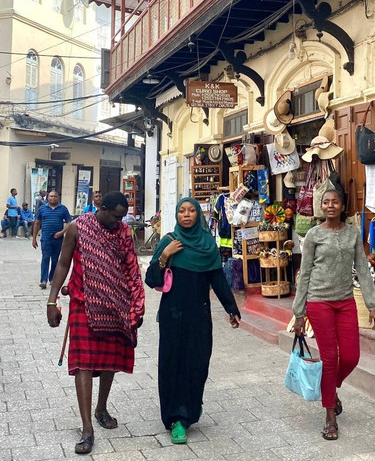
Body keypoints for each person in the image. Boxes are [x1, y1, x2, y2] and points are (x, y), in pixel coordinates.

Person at [46, 191, 145, 455]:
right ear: (101, 208)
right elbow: (63, 263)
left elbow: (132, 269)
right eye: (115, 216)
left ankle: (101, 407)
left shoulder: (123, 232)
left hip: (115, 304)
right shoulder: (78, 227)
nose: (118, 222)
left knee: (110, 359)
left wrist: (137, 305)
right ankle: (87, 427)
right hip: (83, 301)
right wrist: (51, 300)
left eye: (122, 217)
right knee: (83, 362)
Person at [145, 197, 241, 445]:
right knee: (172, 365)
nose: (186, 215)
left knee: (197, 364)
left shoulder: (208, 245)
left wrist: (231, 308)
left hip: (199, 315)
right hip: (172, 316)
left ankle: (190, 408)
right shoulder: (169, 241)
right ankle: (175, 418)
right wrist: (164, 255)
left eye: (191, 211)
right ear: (176, 216)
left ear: (198, 215)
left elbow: (217, 279)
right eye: (181, 211)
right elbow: (152, 278)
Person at [292, 188, 375, 441]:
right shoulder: (313, 235)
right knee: (330, 359)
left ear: (343, 206)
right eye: (326, 202)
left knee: (351, 357)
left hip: (345, 302)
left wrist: (372, 305)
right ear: (321, 206)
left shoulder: (353, 234)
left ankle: (330, 388)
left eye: (335, 202)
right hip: (318, 302)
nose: (330, 206)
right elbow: (304, 273)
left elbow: (363, 269)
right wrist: (299, 313)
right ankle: (330, 416)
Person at [32, 191, 71, 289]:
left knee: (55, 259)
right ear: (47, 197)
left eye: (55, 196)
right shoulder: (42, 209)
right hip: (45, 238)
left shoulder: (63, 209)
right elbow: (37, 223)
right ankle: (43, 280)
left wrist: (61, 233)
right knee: (45, 258)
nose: (53, 198)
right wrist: (34, 238)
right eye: (51, 196)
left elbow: (69, 222)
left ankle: (52, 278)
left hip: (58, 239)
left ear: (58, 198)